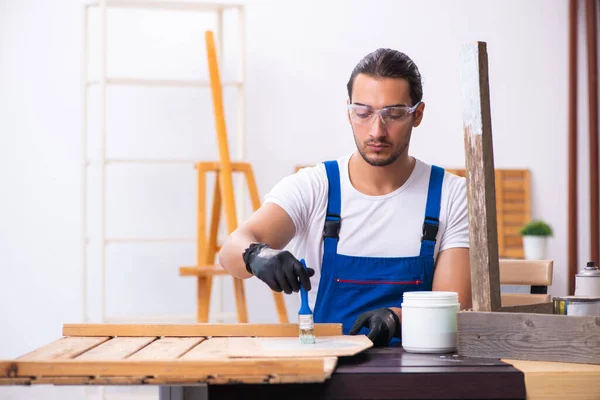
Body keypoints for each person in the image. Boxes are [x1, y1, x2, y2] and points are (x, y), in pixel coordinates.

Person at [218, 48, 472, 347]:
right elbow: (229, 253)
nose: (377, 131)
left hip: (419, 373)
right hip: (325, 371)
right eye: (363, 113)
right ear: (348, 111)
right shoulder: (315, 187)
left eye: (393, 114)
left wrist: (397, 318)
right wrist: (257, 256)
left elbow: (455, 309)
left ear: (417, 114)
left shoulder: (452, 196)